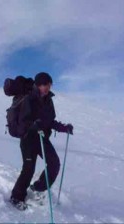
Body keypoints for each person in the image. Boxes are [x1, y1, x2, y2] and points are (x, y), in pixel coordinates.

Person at [10, 72, 74, 210]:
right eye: (43, 84)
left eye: (48, 84)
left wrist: (64, 128)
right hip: (28, 138)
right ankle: (16, 196)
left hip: (41, 137)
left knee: (54, 163)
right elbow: (23, 120)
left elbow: (49, 121)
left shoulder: (48, 101)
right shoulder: (29, 99)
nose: (46, 87)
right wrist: (34, 125)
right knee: (28, 169)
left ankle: (38, 188)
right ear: (38, 85)